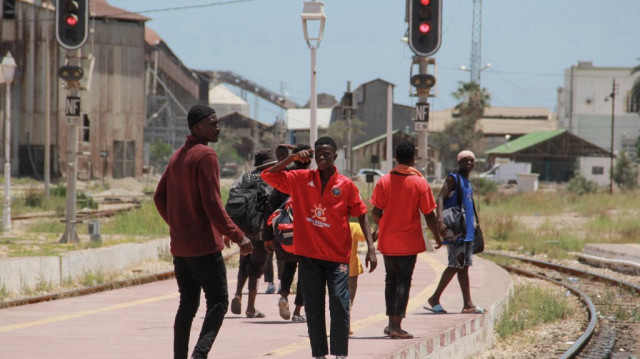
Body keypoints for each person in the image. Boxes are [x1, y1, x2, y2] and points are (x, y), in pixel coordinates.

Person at [261, 136, 377, 359]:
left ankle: (340, 354)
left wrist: (371, 249)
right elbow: (269, 175)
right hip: (309, 257)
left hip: (337, 258)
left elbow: (362, 214)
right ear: (313, 155)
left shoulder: (346, 185)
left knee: (340, 305)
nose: (322, 157)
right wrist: (292, 158)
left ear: (335, 156)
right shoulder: (300, 179)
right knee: (314, 308)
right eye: (318, 153)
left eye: (327, 154)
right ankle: (319, 354)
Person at [154, 104, 253, 359]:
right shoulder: (206, 155)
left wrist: (179, 225)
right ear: (198, 127)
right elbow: (212, 203)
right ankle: (199, 355)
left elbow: (159, 196)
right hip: (204, 249)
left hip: (181, 249)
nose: (217, 127)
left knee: (187, 304)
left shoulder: (179, 155)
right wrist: (237, 235)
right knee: (219, 302)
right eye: (212, 122)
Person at [370, 141, 441, 339]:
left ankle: (390, 323)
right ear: (412, 159)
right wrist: (437, 236)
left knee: (390, 281)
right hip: (408, 242)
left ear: (396, 158)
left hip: (388, 241)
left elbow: (376, 212)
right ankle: (396, 325)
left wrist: (383, 225)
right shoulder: (420, 182)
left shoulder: (384, 181)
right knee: (403, 282)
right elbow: (429, 214)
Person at [425, 150, 486, 315]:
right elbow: (440, 198)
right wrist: (440, 221)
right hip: (455, 231)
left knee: (463, 267)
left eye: (471, 160)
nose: (469, 163)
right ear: (459, 162)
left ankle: (468, 304)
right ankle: (435, 298)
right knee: (455, 265)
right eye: (465, 160)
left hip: (467, 231)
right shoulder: (453, 178)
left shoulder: (467, 181)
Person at [229, 148, 277, 318]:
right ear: (270, 165)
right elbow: (271, 207)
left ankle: (237, 295)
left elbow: (232, 198)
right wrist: (269, 236)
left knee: (244, 262)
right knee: (256, 268)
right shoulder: (268, 180)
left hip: (243, 230)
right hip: (261, 231)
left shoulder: (244, 178)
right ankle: (251, 307)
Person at [265, 144, 311, 322]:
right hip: (305, 234)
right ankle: (298, 311)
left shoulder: (285, 178)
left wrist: (268, 238)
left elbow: (270, 208)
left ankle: (284, 296)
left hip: (284, 234)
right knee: (304, 273)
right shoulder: (311, 179)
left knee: (289, 268)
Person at [263, 145, 292, 294]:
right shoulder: (276, 172)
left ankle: (277, 283)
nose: (281, 158)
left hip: (281, 219)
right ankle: (275, 283)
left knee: (278, 254)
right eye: (280, 155)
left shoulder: (286, 173)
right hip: (279, 220)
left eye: (283, 155)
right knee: (275, 254)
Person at [347, 222, 366, 335]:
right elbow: (366, 237)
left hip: (334, 266)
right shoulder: (354, 226)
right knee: (350, 296)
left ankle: (343, 324)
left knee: (337, 296)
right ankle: (346, 325)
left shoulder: (332, 224)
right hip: (352, 267)